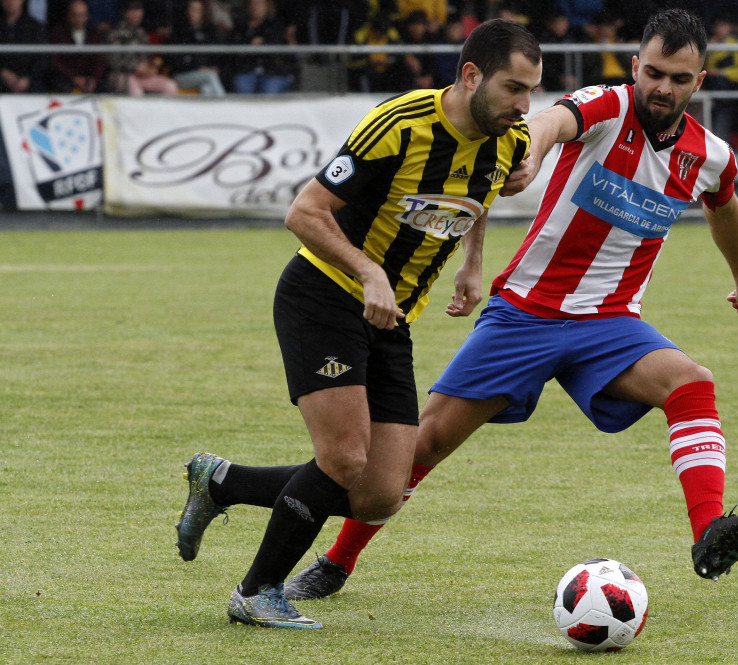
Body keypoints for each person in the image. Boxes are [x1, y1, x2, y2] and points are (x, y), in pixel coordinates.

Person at [281, 8, 738, 602]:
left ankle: (709, 534)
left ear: (699, 82)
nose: (661, 87)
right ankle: (338, 562)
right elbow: (552, 121)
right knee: (426, 445)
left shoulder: (711, 155)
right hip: (526, 313)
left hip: (611, 322)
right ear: (635, 67)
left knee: (692, 382)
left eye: (678, 78)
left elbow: (724, 207)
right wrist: (536, 151)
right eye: (652, 73)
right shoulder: (609, 104)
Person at [174, 18, 542, 629]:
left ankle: (222, 481)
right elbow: (304, 211)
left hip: (390, 316)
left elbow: (487, 193)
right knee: (343, 458)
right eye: (513, 88)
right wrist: (370, 271)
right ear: (471, 75)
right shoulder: (398, 125)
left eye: (531, 90)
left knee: (378, 495)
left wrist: (473, 266)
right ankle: (257, 591)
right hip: (325, 293)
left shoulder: (508, 137)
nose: (524, 104)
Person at [105, 0, 178, 96]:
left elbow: (148, 57)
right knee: (135, 89)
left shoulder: (142, 33)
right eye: (134, 10)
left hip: (143, 75)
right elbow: (114, 61)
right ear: (125, 13)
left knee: (170, 86)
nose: (138, 13)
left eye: (139, 10)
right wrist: (135, 67)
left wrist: (151, 66)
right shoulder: (115, 33)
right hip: (121, 75)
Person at [704, 16, 738, 150]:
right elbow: (706, 67)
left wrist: (720, 72)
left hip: (732, 80)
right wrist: (711, 50)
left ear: (729, 28)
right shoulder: (708, 44)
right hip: (714, 81)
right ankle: (708, 132)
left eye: (724, 26)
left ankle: (736, 135)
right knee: (711, 95)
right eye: (718, 26)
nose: (721, 30)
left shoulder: (735, 44)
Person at [227, 0, 293, 94]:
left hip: (272, 71)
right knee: (242, 88)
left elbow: (277, 47)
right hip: (247, 70)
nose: (255, 7)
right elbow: (235, 49)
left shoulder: (276, 25)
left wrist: (255, 46)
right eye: (252, 4)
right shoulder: (240, 26)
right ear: (247, 6)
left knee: (269, 92)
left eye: (259, 4)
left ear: (267, 6)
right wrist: (252, 44)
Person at [166, 0, 226, 96]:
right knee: (210, 76)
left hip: (203, 74)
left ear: (203, 12)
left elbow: (215, 56)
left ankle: (209, 111)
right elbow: (175, 61)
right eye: (191, 9)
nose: (192, 13)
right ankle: (225, 105)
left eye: (196, 10)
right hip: (182, 75)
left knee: (206, 88)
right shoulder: (179, 31)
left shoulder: (210, 31)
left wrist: (213, 67)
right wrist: (197, 68)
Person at [48, 0, 106, 93]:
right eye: (74, 15)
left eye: (82, 15)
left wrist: (94, 79)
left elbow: (99, 60)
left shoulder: (94, 34)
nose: (78, 19)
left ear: (87, 16)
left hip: (89, 78)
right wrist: (74, 78)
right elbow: (56, 61)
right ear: (68, 16)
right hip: (67, 78)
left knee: (104, 86)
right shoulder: (58, 33)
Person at [0, 0, 49, 93]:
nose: (10, 2)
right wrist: (2, 72)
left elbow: (43, 58)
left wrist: (28, 78)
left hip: (29, 81)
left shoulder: (35, 27)